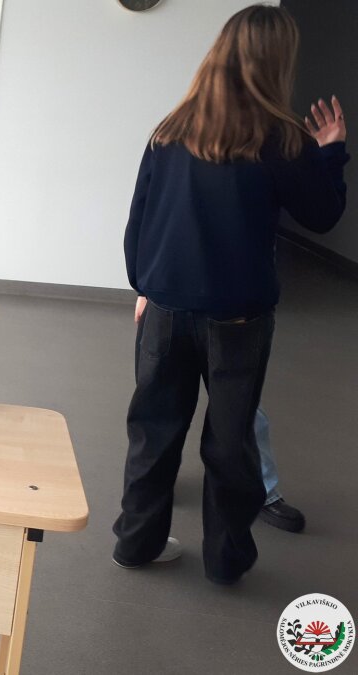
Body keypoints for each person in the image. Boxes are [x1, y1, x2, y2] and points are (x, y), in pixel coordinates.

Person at [115, 4, 346, 585]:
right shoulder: (283, 139)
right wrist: (331, 150)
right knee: (230, 441)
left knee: (153, 431)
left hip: (165, 309)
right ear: (278, 62)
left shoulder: (170, 130)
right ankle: (226, 561)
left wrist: (145, 286)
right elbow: (322, 215)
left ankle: (136, 544)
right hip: (239, 319)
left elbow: (139, 218)